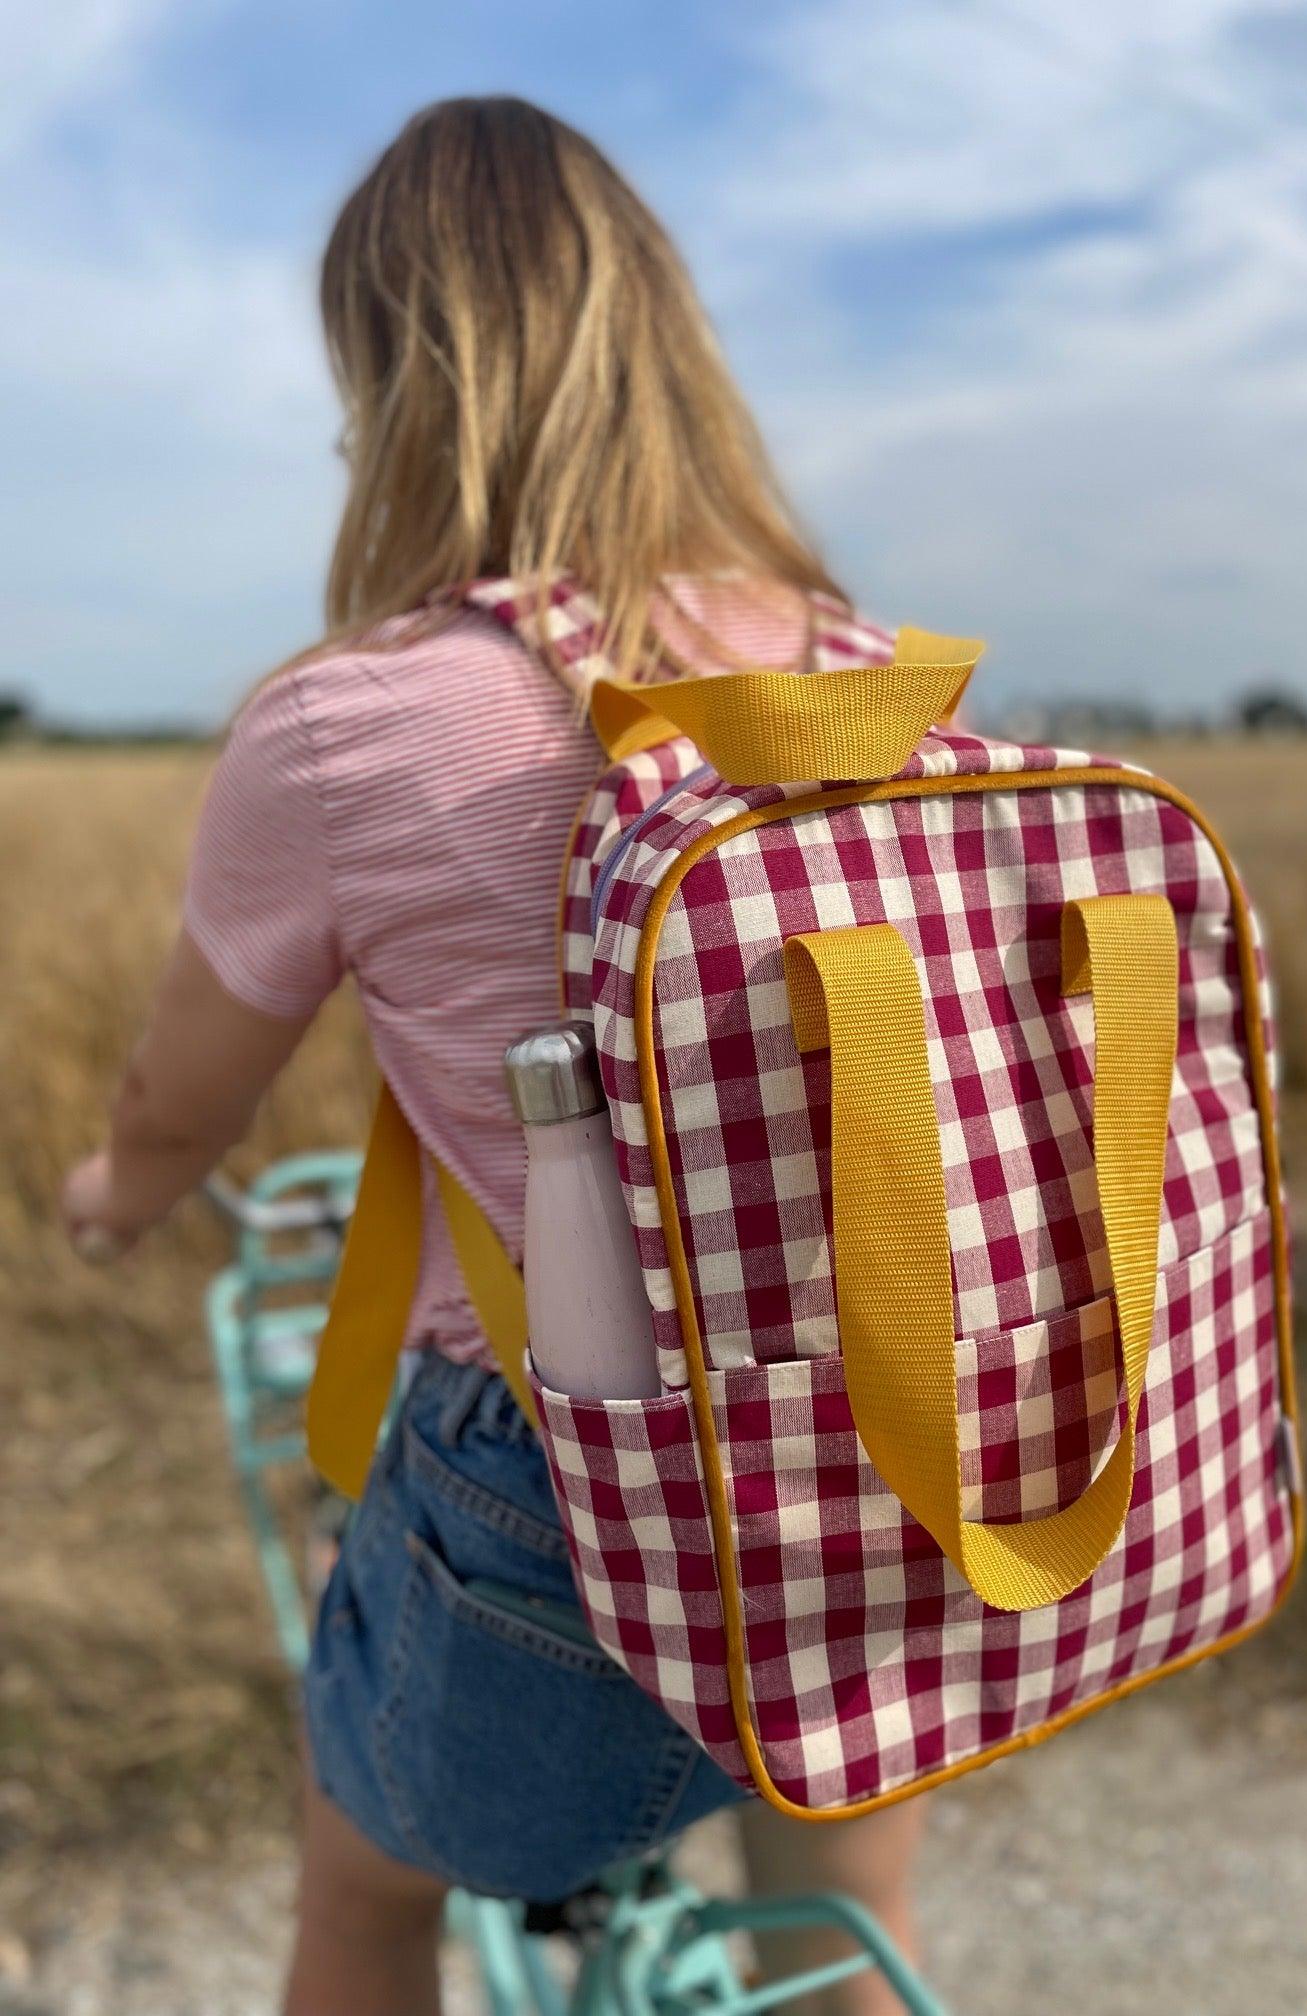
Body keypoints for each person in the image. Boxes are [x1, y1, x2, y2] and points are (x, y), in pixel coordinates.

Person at [60, 98, 929, 2016]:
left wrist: (112, 1196)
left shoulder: (350, 724)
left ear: (399, 378)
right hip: (891, 1434)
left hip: (565, 1502)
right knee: (830, 1917)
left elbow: (171, 1105)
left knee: (366, 1889)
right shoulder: (855, 668)